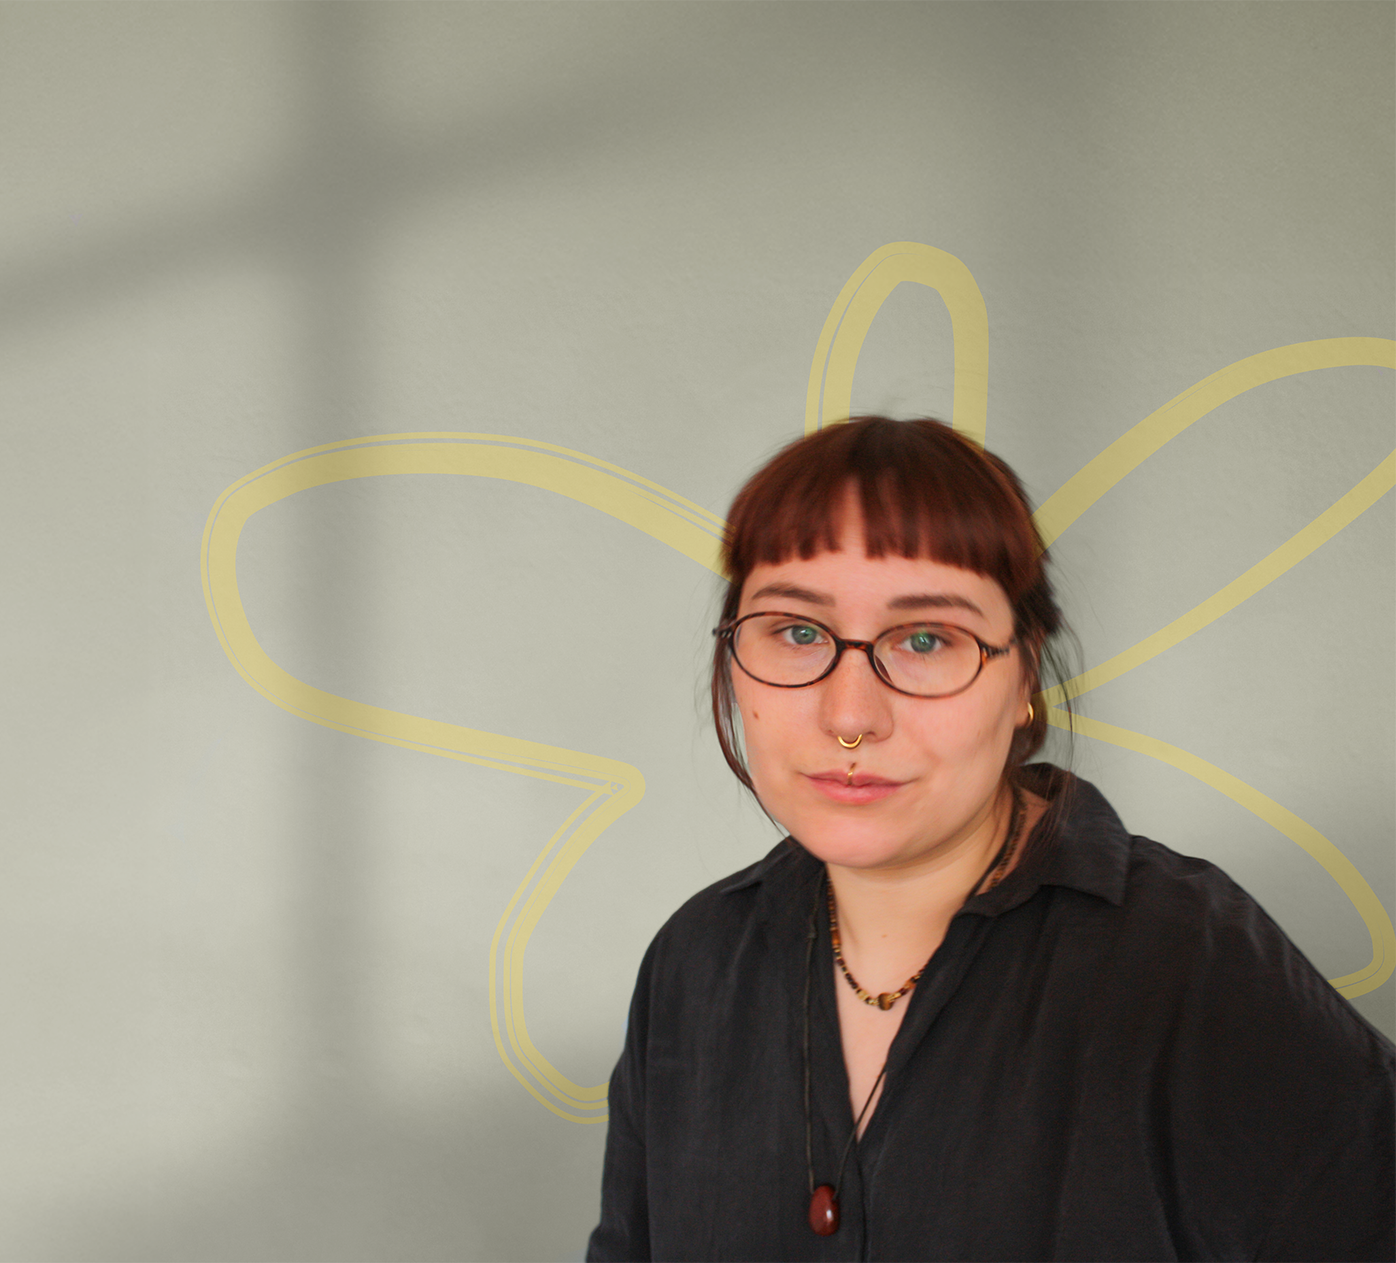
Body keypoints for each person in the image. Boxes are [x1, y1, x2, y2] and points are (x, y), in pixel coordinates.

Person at [586, 417, 1396, 1261]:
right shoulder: (692, 965)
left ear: (1024, 678)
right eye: (797, 631)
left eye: (926, 639)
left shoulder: (1190, 967)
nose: (851, 716)